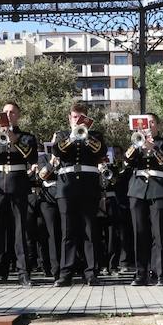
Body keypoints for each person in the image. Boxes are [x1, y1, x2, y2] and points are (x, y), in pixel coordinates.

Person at [0, 101, 37, 286]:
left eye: (12, 112)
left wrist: (15, 140)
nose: (8, 114)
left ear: (18, 115)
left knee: (21, 231)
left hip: (18, 186)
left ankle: (23, 273)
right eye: (5, 112)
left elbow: (32, 157)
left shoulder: (27, 137)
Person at [51, 102, 105, 286]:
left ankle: (91, 272)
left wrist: (86, 136)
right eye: (74, 117)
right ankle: (66, 272)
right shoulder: (62, 135)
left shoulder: (95, 135)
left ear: (87, 119)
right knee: (68, 231)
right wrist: (73, 137)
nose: (77, 120)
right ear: (69, 118)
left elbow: (101, 152)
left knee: (90, 230)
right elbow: (57, 150)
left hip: (89, 185)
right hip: (67, 186)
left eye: (81, 117)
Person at [126, 113, 163, 286]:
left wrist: (152, 148)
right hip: (137, 189)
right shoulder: (136, 141)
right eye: (147, 123)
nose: (149, 125)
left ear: (157, 126)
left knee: (159, 233)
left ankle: (161, 274)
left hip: (157, 188)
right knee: (139, 233)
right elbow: (127, 160)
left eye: (152, 122)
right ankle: (141, 273)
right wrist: (138, 144)